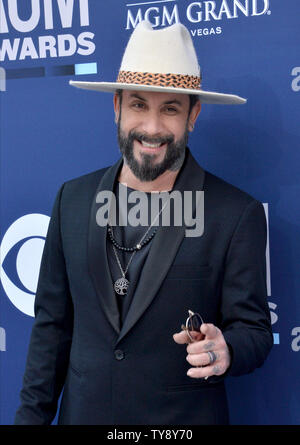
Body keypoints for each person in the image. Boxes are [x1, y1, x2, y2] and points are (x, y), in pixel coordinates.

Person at [14, 21, 272, 425]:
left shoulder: (235, 213)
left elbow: (255, 331)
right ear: (117, 107)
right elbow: (51, 328)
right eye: (138, 105)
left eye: (170, 108)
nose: (152, 129)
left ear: (193, 114)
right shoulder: (73, 200)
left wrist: (228, 349)